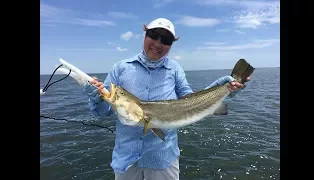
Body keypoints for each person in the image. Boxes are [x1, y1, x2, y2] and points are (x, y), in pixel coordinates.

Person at [83, 18, 250, 180]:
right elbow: (103, 112)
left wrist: (222, 87)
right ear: (145, 35)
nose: (158, 43)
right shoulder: (120, 68)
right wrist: (97, 98)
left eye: (166, 40)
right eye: (153, 35)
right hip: (126, 160)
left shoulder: (174, 69)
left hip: (163, 159)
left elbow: (189, 100)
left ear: (171, 45)